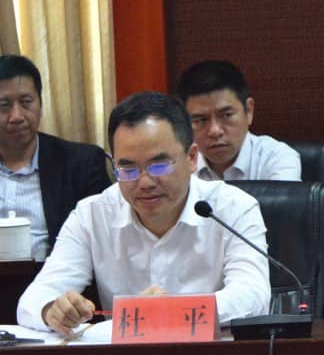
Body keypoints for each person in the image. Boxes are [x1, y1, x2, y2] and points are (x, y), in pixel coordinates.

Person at [16, 91, 271, 335]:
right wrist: (52, 310)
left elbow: (252, 296)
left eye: (158, 165)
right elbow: (32, 300)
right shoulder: (92, 215)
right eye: (128, 169)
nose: (145, 182)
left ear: (192, 158)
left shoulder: (233, 208)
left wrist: (172, 312)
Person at [0, 55, 109, 258]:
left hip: (54, 274)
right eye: (4, 105)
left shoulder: (81, 162)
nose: (17, 116)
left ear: (40, 106)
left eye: (26, 102)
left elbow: (103, 237)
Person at [175, 60, 301, 181]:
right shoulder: (177, 165)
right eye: (201, 120)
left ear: (249, 111)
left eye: (226, 115)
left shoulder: (277, 158)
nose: (215, 131)